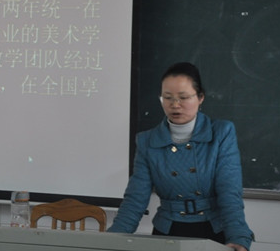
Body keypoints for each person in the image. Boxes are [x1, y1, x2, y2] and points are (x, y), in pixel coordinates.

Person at [108, 62, 254, 251]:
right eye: (167, 98)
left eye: (183, 97)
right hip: (168, 232)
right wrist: (112, 240)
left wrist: (238, 235)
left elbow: (229, 191)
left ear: (200, 97)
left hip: (214, 231)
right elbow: (135, 199)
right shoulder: (147, 141)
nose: (175, 105)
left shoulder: (221, 133)